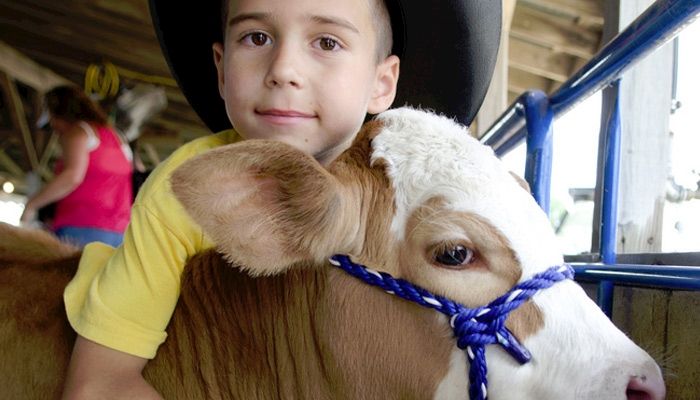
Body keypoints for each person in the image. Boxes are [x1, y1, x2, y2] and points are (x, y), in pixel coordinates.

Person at [61, 0, 501, 398]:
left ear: (381, 82)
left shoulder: (413, 196)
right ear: (220, 67)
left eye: (327, 42)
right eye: (256, 38)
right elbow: (99, 383)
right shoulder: (184, 193)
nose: (283, 69)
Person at [21, 85, 133, 248]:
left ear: (59, 113)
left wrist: (32, 204)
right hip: (119, 232)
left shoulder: (78, 132)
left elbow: (72, 176)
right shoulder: (117, 137)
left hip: (81, 226)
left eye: (52, 119)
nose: (53, 127)